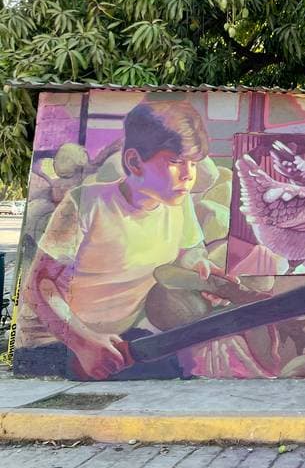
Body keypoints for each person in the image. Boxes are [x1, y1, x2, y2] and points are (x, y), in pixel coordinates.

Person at [16, 100, 222, 379]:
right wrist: (83, 343)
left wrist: (200, 265)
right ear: (134, 162)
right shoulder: (85, 204)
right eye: (175, 162)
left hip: (117, 337)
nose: (188, 175)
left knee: (183, 367)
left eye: (193, 164)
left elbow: (190, 248)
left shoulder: (177, 202)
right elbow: (38, 286)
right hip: (57, 341)